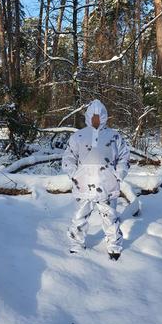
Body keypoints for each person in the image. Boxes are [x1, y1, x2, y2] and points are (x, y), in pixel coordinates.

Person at [62, 99, 130, 261]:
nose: (96, 120)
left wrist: (119, 173)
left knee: (110, 217)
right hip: (83, 185)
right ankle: (76, 244)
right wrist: (74, 174)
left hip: (107, 185)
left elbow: (124, 157)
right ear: (88, 117)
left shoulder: (114, 136)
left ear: (105, 117)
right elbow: (68, 157)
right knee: (79, 216)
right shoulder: (79, 136)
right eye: (93, 116)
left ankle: (114, 245)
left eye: (99, 116)